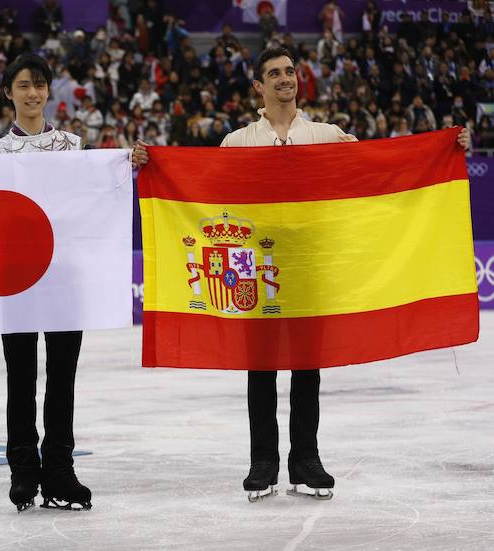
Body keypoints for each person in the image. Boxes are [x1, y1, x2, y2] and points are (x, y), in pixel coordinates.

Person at [130, 47, 470, 502]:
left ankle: (306, 460)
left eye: (290, 71)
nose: (284, 78)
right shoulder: (238, 141)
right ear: (258, 86)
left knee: (308, 368)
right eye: (274, 73)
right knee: (261, 368)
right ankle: (262, 462)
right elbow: (205, 187)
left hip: (312, 263)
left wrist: (446, 148)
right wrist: (154, 164)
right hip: (255, 267)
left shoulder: (326, 134)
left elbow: (378, 168)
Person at [0, 53, 92, 512]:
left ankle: (60, 470)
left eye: (39, 84)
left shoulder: (76, 146)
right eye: (23, 85)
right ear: (8, 92)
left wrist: (134, 161)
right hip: (16, 279)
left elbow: (99, 196)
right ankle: (24, 471)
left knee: (62, 379)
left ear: (48, 91)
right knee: (20, 378)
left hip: (65, 277)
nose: (32, 93)